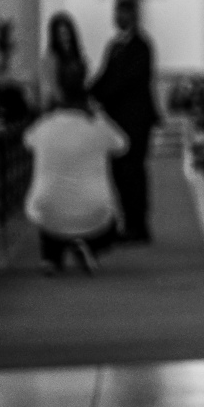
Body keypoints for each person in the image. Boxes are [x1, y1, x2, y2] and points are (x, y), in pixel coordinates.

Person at [24, 60, 126, 274]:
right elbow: (122, 145)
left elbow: (27, 141)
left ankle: (51, 257)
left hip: (47, 211)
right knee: (114, 217)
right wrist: (100, 116)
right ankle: (89, 245)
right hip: (94, 213)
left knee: (51, 200)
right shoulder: (97, 124)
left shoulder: (46, 125)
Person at [90, 0, 160, 243]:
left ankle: (139, 225)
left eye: (123, 12)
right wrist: (83, 94)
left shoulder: (141, 46)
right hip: (117, 119)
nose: (118, 17)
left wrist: (100, 95)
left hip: (136, 119)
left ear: (133, 15)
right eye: (116, 12)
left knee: (133, 171)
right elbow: (104, 75)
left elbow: (127, 81)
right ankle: (127, 222)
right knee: (119, 172)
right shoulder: (115, 45)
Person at [39, 12, 88, 112]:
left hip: (79, 104)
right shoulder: (51, 58)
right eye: (60, 34)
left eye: (66, 33)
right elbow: (53, 88)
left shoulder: (78, 57)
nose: (64, 38)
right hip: (62, 107)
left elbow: (84, 82)